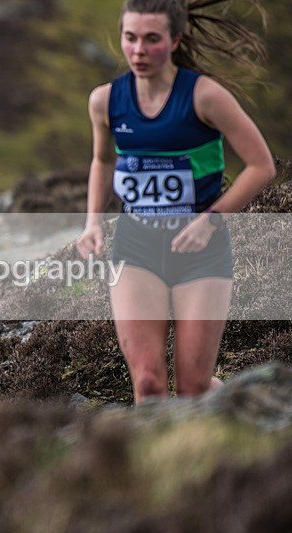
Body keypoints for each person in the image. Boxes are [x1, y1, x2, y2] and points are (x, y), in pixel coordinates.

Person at [75, 0, 275, 403]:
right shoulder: (106, 101)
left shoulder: (205, 96)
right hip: (135, 248)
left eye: (152, 40)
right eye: (130, 38)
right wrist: (92, 223)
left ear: (175, 40)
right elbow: (102, 159)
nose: (138, 51)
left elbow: (261, 165)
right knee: (148, 384)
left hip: (201, 253)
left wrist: (211, 219)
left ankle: (240, 406)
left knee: (193, 388)